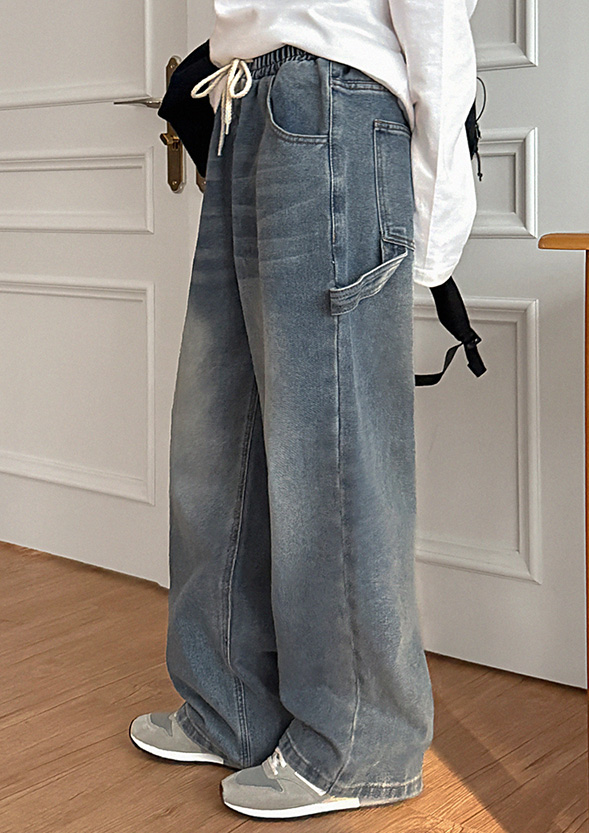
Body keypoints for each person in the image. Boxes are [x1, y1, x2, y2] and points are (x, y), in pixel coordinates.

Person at [128, 0, 479, 820]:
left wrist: (436, 221)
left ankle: (362, 739)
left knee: (332, 445)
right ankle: (230, 704)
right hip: (245, 103)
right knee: (218, 437)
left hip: (334, 105)